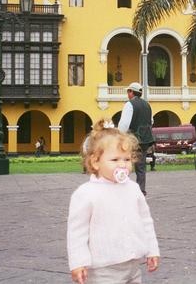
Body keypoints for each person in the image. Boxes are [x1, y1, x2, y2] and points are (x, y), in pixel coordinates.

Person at [67, 118, 159, 284]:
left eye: (127, 159)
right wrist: (78, 262)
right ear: (95, 162)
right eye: (115, 160)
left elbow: (146, 221)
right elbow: (77, 232)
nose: (122, 165)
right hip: (104, 268)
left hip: (133, 264)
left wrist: (152, 250)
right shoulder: (86, 193)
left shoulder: (133, 188)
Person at [118, 82, 155, 195]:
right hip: (145, 140)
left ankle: (124, 189)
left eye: (128, 91)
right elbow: (151, 121)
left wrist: (119, 137)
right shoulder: (147, 105)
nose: (127, 94)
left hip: (132, 139)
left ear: (131, 92)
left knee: (125, 164)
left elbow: (124, 124)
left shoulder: (129, 104)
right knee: (141, 167)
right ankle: (141, 190)